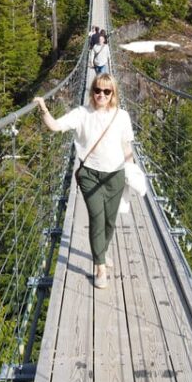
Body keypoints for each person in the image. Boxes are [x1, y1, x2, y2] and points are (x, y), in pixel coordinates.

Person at [34, 74, 134, 289]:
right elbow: (54, 126)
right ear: (92, 91)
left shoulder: (122, 116)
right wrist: (42, 107)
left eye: (107, 91)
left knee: (109, 221)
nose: (102, 95)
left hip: (115, 175)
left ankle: (102, 252)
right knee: (97, 219)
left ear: (113, 93)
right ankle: (100, 267)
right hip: (89, 175)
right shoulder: (82, 114)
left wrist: (131, 172)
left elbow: (127, 147)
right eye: (98, 90)